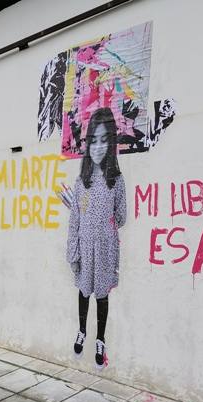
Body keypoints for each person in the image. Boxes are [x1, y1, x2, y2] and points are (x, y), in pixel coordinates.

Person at [66, 107, 127, 370]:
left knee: (102, 295)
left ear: (111, 143)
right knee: (84, 291)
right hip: (85, 247)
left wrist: (105, 224)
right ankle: (82, 330)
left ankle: (100, 338)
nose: (99, 147)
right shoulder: (82, 181)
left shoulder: (117, 180)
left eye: (105, 140)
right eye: (94, 140)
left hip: (105, 250)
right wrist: (74, 253)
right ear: (88, 143)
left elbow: (121, 216)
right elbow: (75, 220)